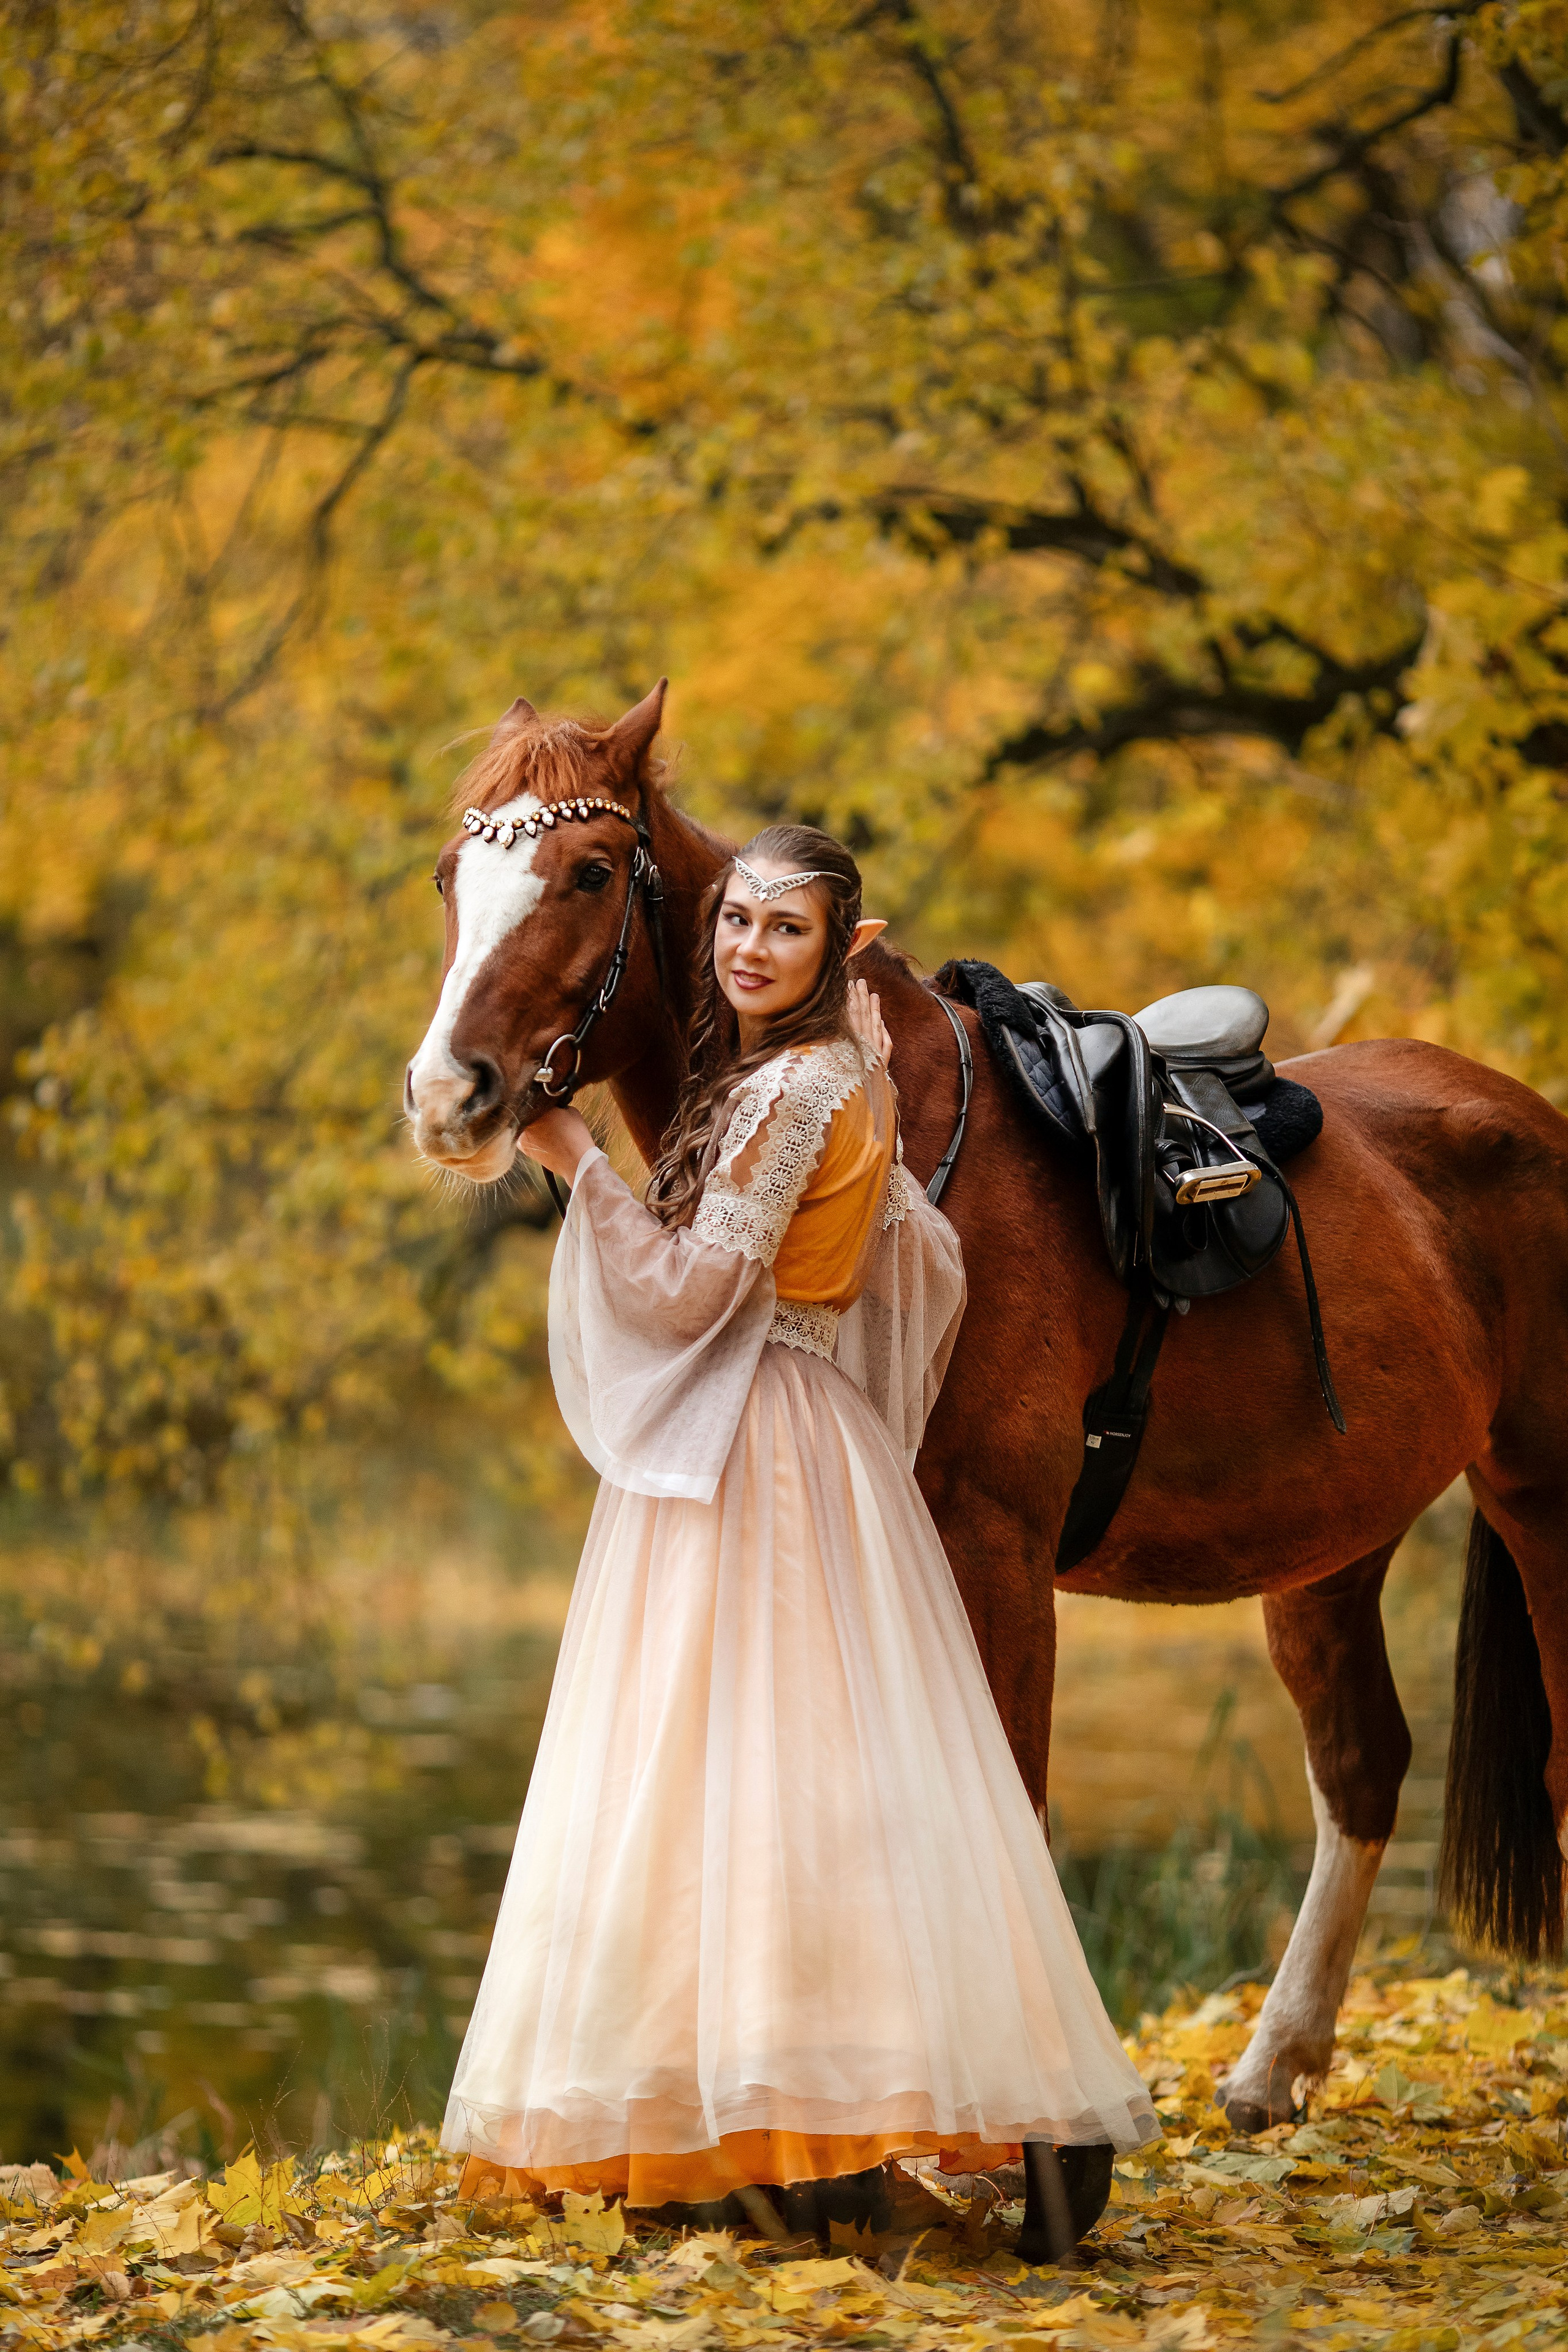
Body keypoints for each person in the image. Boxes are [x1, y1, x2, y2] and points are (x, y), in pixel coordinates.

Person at [440, 824, 1157, 2258]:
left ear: (837, 950)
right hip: (783, 1426)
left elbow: (695, 1288)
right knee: (765, 1789)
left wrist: (572, 1155)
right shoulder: (816, 1076)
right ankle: (788, 2130)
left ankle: (843, 2126)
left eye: (786, 930)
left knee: (760, 1777)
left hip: (761, 1438)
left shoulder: (800, 1088)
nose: (749, 948)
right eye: (736, 924)